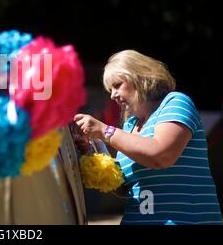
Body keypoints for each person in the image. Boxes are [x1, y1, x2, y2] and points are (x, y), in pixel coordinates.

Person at [73, 50, 222, 225]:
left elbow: (161, 155)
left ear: (140, 77)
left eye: (117, 85)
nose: (112, 95)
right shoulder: (130, 125)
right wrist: (93, 152)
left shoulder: (175, 102)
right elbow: (124, 187)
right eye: (110, 89)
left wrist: (106, 131)